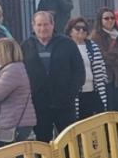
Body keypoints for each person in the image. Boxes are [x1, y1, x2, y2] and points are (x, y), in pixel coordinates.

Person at [22, 11, 84, 141]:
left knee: (69, 141)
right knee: (42, 141)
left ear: (52, 25)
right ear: (33, 26)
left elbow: (79, 72)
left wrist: (71, 93)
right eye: (39, 25)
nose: (42, 28)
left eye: (46, 24)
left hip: (64, 103)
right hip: (39, 105)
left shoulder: (67, 44)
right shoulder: (26, 46)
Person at [0, 38, 36, 146]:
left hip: (14, 123)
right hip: (14, 121)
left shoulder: (12, 71)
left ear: (2, 52)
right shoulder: (11, 68)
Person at [66, 17, 108, 119]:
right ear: (70, 31)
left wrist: (104, 81)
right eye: (78, 28)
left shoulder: (93, 46)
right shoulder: (66, 47)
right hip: (76, 93)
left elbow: (101, 67)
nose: (81, 30)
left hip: (94, 90)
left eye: (84, 28)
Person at [92, 7, 118, 112]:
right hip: (106, 78)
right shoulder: (96, 36)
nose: (110, 20)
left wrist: (115, 53)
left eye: (112, 18)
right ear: (100, 20)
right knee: (108, 109)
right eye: (106, 18)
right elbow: (103, 56)